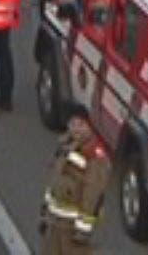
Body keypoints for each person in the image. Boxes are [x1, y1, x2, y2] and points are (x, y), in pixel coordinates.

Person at [41, 103, 111, 253]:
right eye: (72, 124)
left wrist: (83, 230)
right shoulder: (65, 145)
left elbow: (92, 193)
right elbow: (55, 180)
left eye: (81, 124)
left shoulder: (94, 155)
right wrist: (45, 212)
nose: (76, 128)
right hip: (55, 222)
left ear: (89, 126)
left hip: (72, 228)